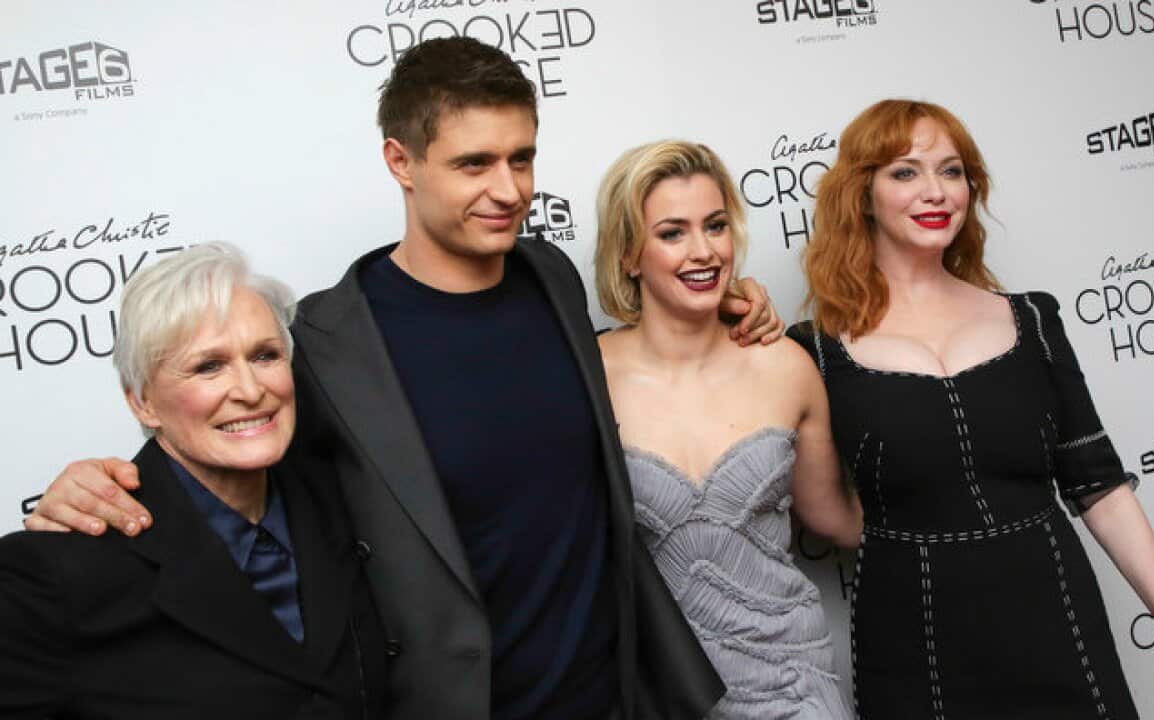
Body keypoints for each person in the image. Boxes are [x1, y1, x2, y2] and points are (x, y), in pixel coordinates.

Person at [24, 38, 786, 719]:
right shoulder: (327, 341)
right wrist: (97, 487)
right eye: (473, 163)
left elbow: (635, 359)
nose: (509, 189)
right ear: (401, 162)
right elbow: (235, 457)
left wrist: (727, 308)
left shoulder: (549, 276)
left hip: (612, 691)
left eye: (521, 158)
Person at [787, 99, 1154, 720]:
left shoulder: (1032, 319)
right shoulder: (810, 351)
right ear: (861, 195)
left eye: (952, 171)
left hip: (1054, 615)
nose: (935, 191)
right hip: (911, 636)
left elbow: (1102, 490)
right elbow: (829, 520)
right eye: (905, 172)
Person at [0, 243, 387, 719]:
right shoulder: (53, 575)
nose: (249, 391)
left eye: (265, 356)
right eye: (209, 366)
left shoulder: (343, 495)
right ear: (142, 402)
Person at [594, 140, 862, 719]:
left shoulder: (784, 364)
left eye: (715, 226)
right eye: (672, 233)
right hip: (661, 697)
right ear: (628, 254)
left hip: (794, 688)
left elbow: (836, 519)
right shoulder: (588, 381)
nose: (703, 251)